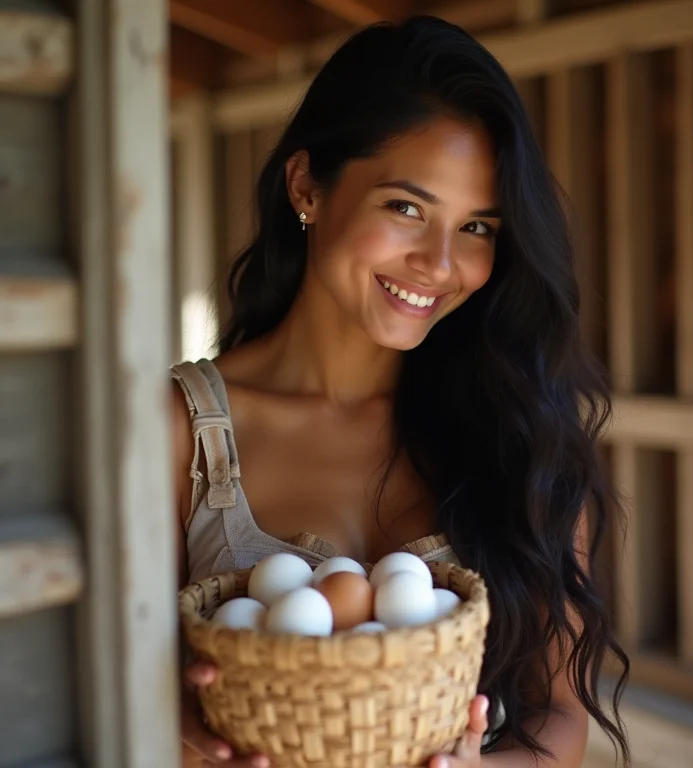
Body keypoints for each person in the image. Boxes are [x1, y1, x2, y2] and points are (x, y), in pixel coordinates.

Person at [173, 15, 630, 768]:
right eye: (406, 208)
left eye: (479, 226)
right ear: (306, 187)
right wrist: (181, 737)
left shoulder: (522, 434)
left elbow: (558, 719)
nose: (439, 263)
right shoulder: (182, 433)